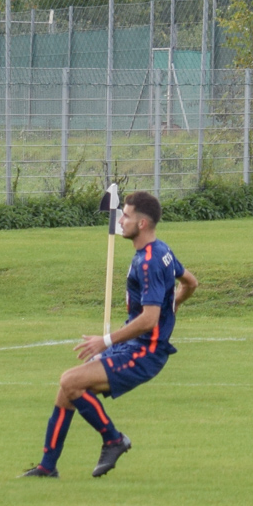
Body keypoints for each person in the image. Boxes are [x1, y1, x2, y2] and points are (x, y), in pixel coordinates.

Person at [22, 191, 198, 478]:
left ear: (142, 223)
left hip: (145, 352)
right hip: (134, 346)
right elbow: (190, 283)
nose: (120, 221)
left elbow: (149, 320)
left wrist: (105, 341)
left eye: (126, 216)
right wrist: (174, 304)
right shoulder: (161, 250)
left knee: (70, 381)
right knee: (67, 390)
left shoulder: (149, 262)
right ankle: (47, 467)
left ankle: (114, 439)